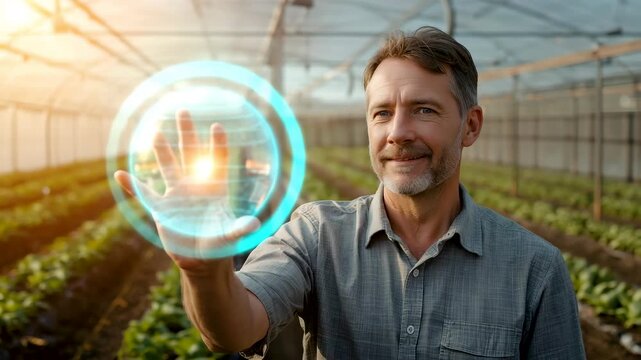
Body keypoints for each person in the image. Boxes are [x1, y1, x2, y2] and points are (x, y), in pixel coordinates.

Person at [115, 26, 585, 359]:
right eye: (381, 113)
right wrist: (203, 273)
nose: (397, 132)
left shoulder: (534, 269)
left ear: (471, 126)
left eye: (423, 109)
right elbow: (235, 329)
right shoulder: (318, 235)